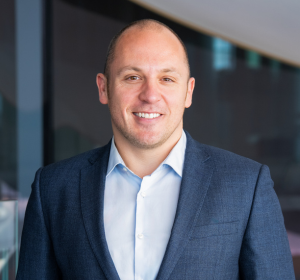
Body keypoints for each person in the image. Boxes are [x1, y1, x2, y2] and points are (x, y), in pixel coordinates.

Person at [16, 19, 295, 280]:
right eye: (132, 77)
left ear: (188, 91)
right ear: (104, 88)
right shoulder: (52, 189)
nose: (150, 95)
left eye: (167, 79)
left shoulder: (246, 185)